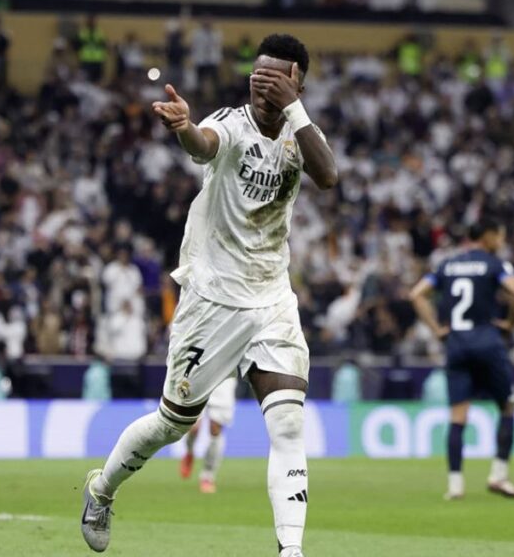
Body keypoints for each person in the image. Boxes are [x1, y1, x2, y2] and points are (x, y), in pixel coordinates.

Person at [81, 33, 337, 557]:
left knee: (288, 422)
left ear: (297, 84)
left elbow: (329, 176)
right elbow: (205, 143)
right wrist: (183, 130)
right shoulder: (232, 124)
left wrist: (296, 110)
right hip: (213, 301)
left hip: (271, 300)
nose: (262, 86)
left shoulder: (300, 134)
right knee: (171, 425)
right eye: (256, 75)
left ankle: (292, 550)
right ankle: (101, 489)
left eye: (275, 78)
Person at [409, 217, 514, 501]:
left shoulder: (447, 264)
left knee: (458, 415)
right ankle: (498, 476)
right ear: (487, 236)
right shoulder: (493, 263)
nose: (501, 242)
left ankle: (455, 485)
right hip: (488, 342)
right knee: (508, 406)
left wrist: (437, 329)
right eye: (499, 235)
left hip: (456, 345)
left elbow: (416, 294)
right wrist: (510, 322)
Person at [179, 374, 237, 494]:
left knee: (215, 428)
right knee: (193, 427)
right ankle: (189, 453)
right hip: (200, 374)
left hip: (224, 378)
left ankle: (207, 476)